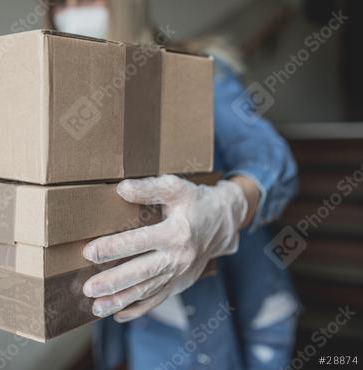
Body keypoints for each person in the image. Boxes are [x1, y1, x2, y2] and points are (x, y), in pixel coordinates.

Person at [49, 1, 300, 369]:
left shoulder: (196, 71)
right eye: (59, 2)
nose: (71, 9)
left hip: (240, 305)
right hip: (151, 320)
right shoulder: (74, 104)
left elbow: (272, 160)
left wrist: (226, 207)